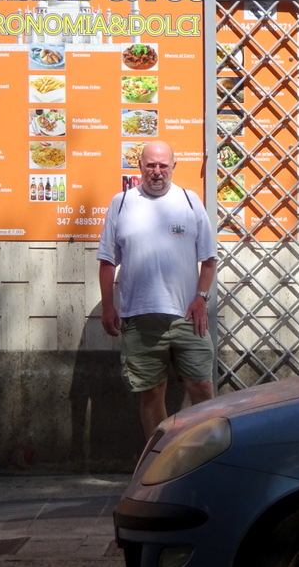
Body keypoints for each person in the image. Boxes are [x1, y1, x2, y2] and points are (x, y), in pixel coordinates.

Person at [97, 140, 218, 438]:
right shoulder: (121, 203)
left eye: (163, 165)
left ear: (174, 166)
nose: (157, 171)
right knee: (152, 392)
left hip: (187, 316)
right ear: (139, 166)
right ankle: (159, 457)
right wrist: (108, 306)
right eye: (151, 165)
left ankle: (207, 453)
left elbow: (209, 259)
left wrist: (201, 298)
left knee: (202, 386)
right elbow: (107, 261)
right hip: (140, 318)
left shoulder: (190, 201)